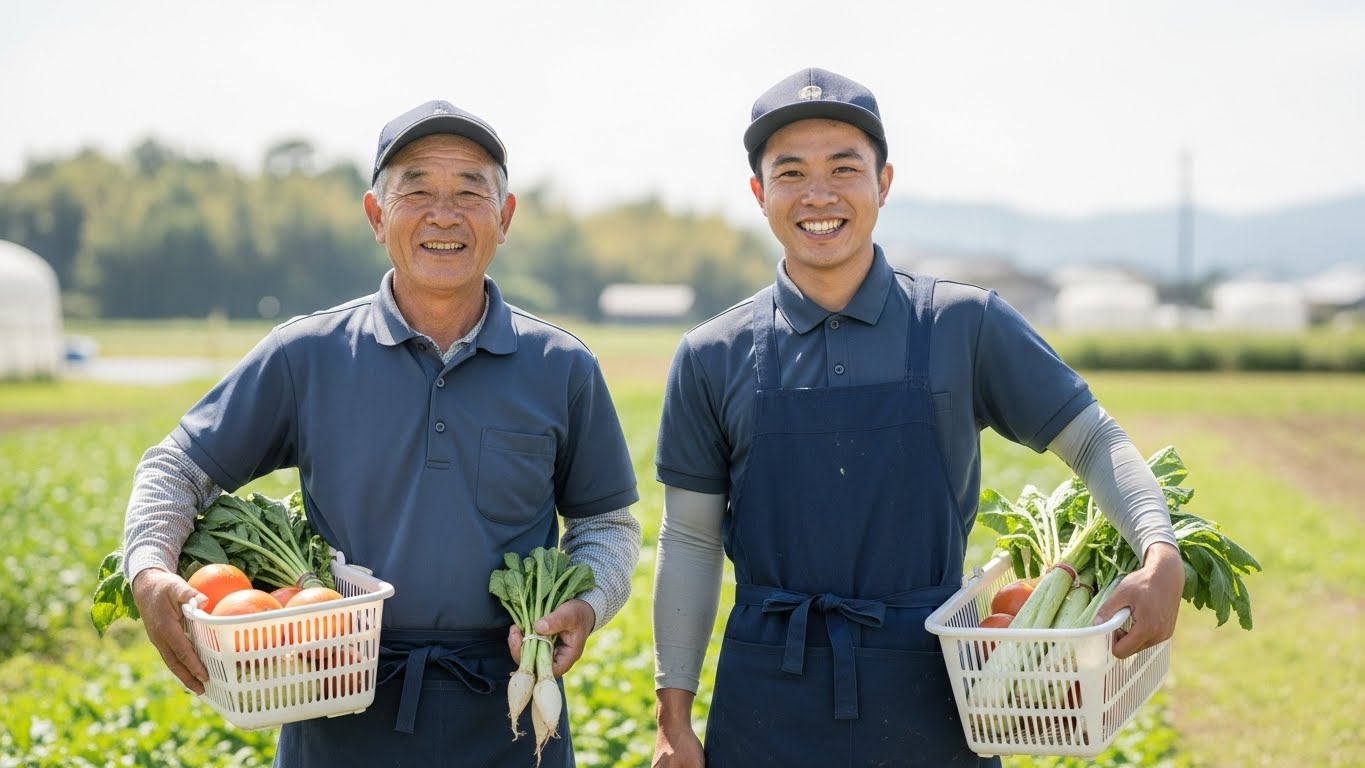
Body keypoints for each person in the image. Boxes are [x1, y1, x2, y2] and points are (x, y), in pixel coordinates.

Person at [650, 68, 1186, 767]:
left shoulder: (963, 323)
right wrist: (672, 719)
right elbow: (689, 542)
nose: (819, 194)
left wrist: (1159, 548)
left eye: (844, 168)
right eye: (791, 173)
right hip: (766, 692)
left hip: (935, 682)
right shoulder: (710, 354)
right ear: (759, 193)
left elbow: (1090, 438)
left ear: (884, 183)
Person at [123, 100, 641, 767]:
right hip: (333, 695)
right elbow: (177, 467)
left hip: (507, 708)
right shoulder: (306, 355)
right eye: (416, 191)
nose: (443, 215)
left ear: (505, 218)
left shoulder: (560, 367)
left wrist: (590, 601)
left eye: (469, 192)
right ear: (376, 216)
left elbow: (607, 526)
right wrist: (147, 569)